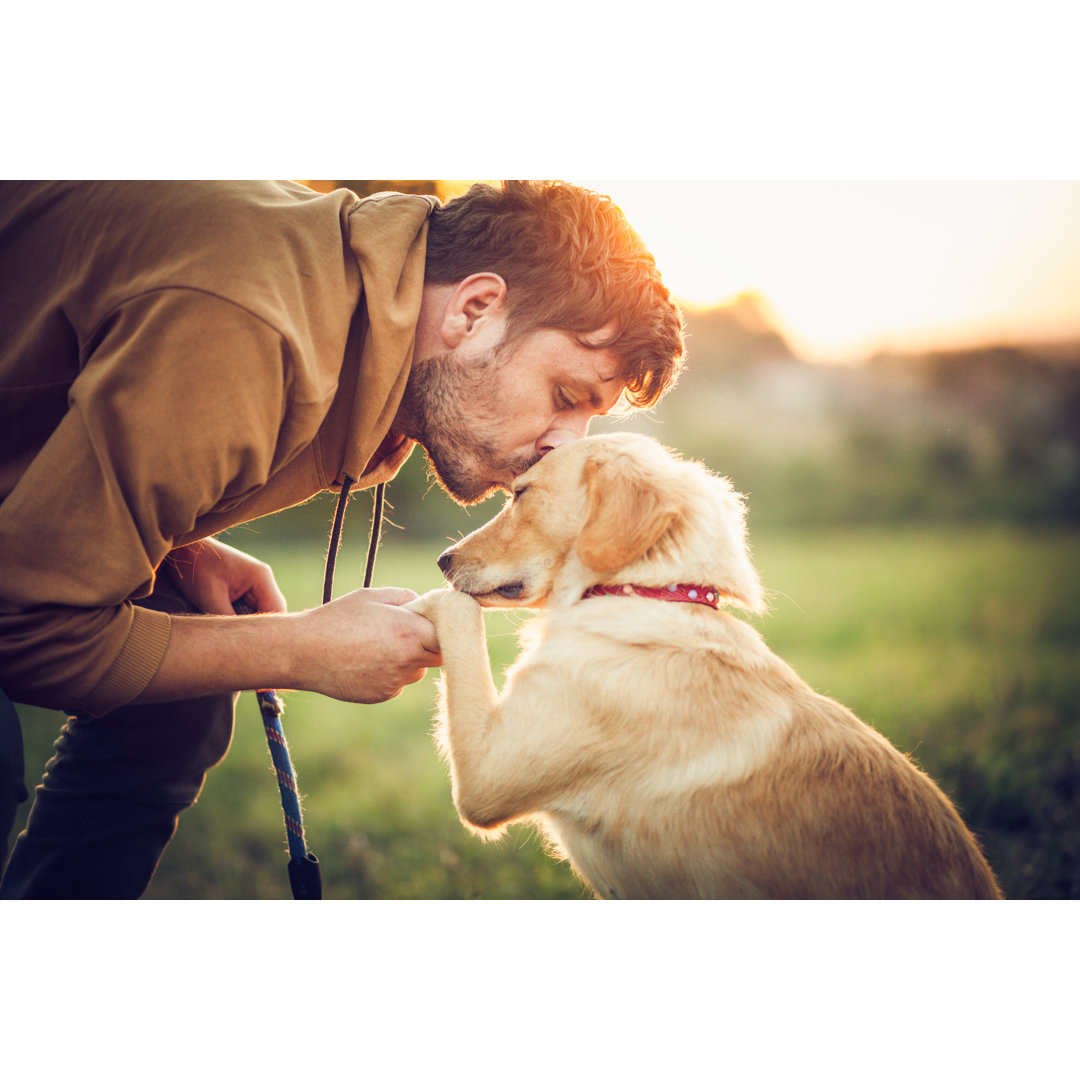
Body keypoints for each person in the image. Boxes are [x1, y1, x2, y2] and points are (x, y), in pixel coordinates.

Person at [0, 180, 684, 898]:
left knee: (180, 696)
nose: (563, 446)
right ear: (475, 308)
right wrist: (297, 649)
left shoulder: (362, 316)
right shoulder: (253, 325)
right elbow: (25, 628)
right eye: (565, 397)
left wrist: (179, 545)